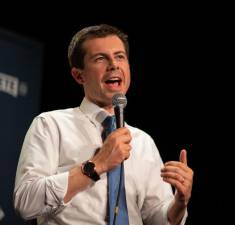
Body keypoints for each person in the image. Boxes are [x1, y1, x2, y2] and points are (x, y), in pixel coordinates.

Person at [14, 24, 193, 225]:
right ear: (78, 75)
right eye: (100, 58)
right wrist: (97, 165)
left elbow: (157, 218)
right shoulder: (51, 125)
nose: (114, 65)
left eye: (120, 56)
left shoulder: (144, 142)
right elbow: (25, 201)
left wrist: (179, 203)